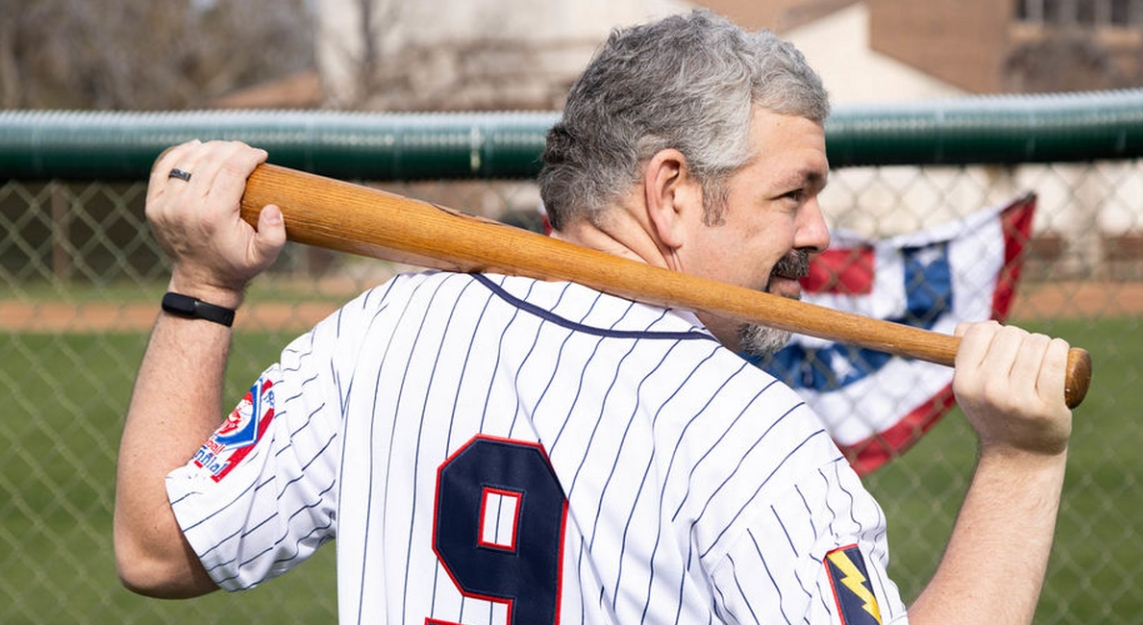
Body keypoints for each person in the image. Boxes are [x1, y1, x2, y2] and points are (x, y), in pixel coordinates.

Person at [114, 10, 1073, 625]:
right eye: (794, 193)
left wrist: (204, 282)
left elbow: (156, 544)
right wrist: (1021, 464)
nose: (820, 230)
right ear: (671, 193)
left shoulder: (381, 335)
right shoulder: (750, 437)